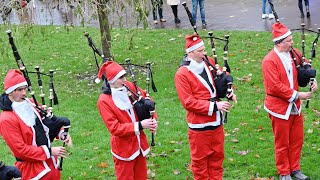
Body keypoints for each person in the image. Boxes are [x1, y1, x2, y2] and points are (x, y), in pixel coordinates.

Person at [174, 34, 237, 179]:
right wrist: (215, 106)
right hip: (199, 127)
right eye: (201, 51)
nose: (205, 53)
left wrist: (229, 91)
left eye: (204, 50)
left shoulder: (208, 62)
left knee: (217, 159)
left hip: (216, 123)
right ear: (190, 52)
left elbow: (223, 77)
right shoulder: (182, 74)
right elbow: (188, 102)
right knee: (200, 163)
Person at [262, 22, 317, 180]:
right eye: (289, 41)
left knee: (296, 139)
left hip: (295, 106)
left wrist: (313, 79)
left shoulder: (294, 53)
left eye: (292, 40)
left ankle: (295, 168)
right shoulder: (269, 61)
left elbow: (306, 67)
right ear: (279, 43)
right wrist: (299, 95)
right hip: (279, 107)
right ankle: (284, 172)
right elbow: (275, 87)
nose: (292, 43)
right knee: (282, 142)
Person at [0, 69, 73, 179]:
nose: (24, 93)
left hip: (51, 165)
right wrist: (49, 151)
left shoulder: (31, 103)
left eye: (25, 89)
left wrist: (62, 132)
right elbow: (20, 150)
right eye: (19, 90)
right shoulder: (6, 119)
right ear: (10, 91)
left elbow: (47, 122)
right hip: (32, 171)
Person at [97, 61, 158, 179]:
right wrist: (140, 125)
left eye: (124, 76)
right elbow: (115, 128)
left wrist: (153, 119)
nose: (125, 80)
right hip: (123, 150)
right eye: (120, 77)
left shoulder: (129, 86)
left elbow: (147, 99)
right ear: (111, 80)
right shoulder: (104, 101)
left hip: (140, 146)